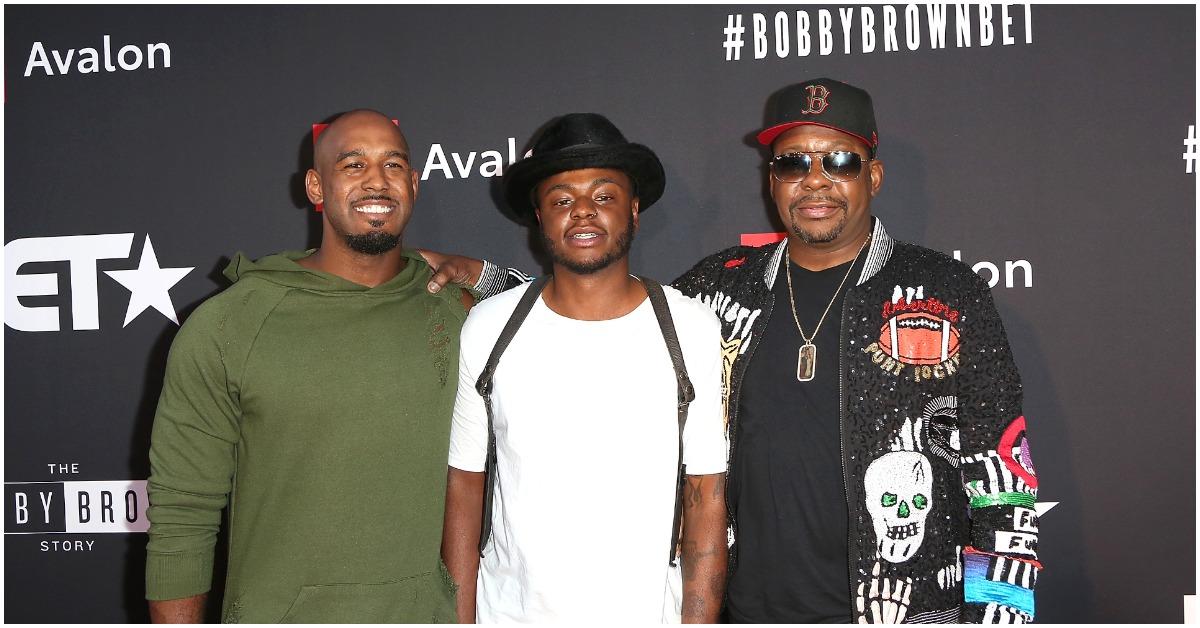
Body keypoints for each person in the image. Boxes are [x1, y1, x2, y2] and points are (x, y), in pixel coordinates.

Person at [427, 79, 1041, 623]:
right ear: (771, 179)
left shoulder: (948, 294)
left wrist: (1000, 618)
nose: (815, 180)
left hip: (902, 610)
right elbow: (597, 304)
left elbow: (1006, 483)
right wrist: (482, 276)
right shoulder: (724, 286)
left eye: (840, 161)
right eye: (793, 162)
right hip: (748, 611)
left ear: (873, 175)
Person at [144, 110, 470, 623]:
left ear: (413, 184)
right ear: (316, 187)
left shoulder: (457, 310)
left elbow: (559, 302)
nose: (376, 181)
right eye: (353, 164)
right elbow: (183, 512)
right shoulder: (229, 324)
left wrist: (481, 271)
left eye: (393, 164)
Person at [441, 113, 729, 623]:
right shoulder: (488, 328)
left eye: (603, 196)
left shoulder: (689, 328)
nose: (582, 214)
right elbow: (464, 487)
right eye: (561, 200)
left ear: (634, 211)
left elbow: (705, 496)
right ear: (539, 217)